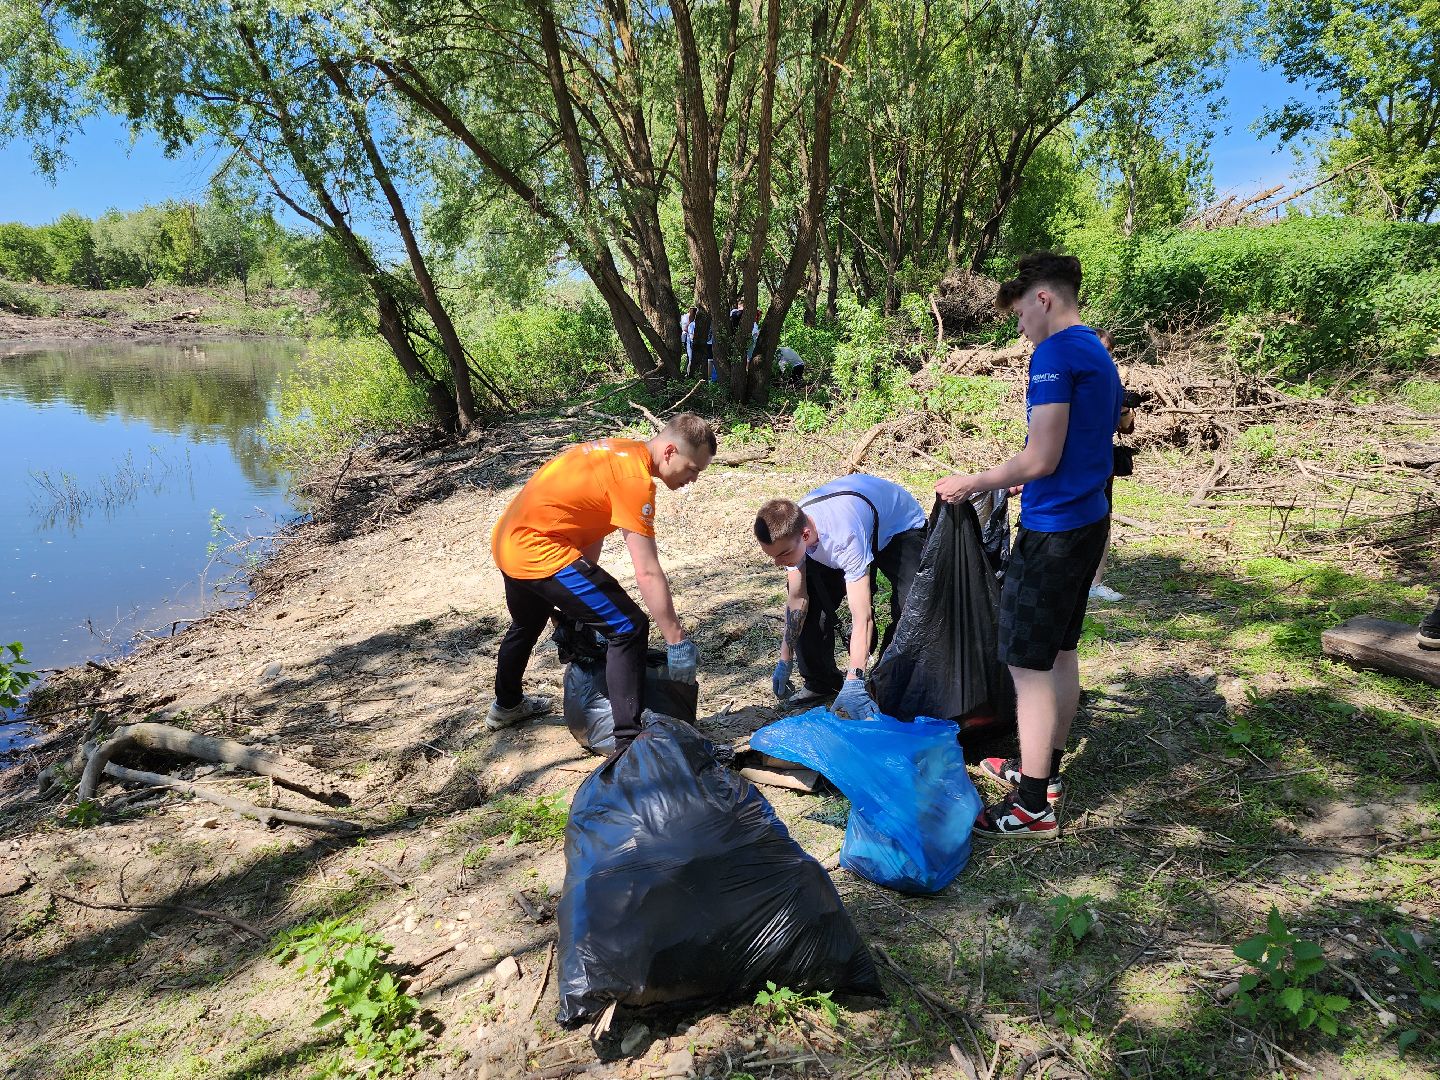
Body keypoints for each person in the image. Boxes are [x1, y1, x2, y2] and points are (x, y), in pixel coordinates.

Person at [936, 252, 1121, 838]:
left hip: (1055, 530)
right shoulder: (1097, 350)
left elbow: (1042, 454)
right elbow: (1083, 446)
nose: (1019, 331)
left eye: (1019, 316)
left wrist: (976, 481)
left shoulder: (1055, 352)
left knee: (1026, 664)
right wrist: (1034, 473)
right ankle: (1046, 768)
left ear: (1043, 299)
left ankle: (1032, 805)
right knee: (1059, 652)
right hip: (1088, 519)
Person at [487, 414, 717, 749]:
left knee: (527, 623)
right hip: (537, 549)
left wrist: (574, 603)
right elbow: (648, 571)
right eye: (693, 468)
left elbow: (586, 521)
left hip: (509, 542)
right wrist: (676, 639)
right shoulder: (635, 481)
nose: (694, 478)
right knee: (628, 627)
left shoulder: (618, 451)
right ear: (669, 452)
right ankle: (627, 743)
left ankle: (506, 706)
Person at [753, 475, 928, 719]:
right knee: (813, 605)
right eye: (772, 556)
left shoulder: (845, 539)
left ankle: (882, 681)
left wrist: (855, 679)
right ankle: (821, 682)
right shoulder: (789, 532)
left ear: (804, 535)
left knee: (914, 605)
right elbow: (797, 600)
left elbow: (862, 617)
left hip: (897, 528)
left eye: (782, 555)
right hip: (842, 529)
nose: (777, 563)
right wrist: (785, 657)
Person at [1088, 327, 1136, 603]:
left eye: (1108, 351)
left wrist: (1125, 410)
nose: (1104, 355)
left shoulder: (1112, 381)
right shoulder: (1075, 378)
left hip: (1103, 460)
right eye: (1099, 349)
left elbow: (1126, 428)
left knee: (1103, 518)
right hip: (1075, 461)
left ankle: (1095, 582)